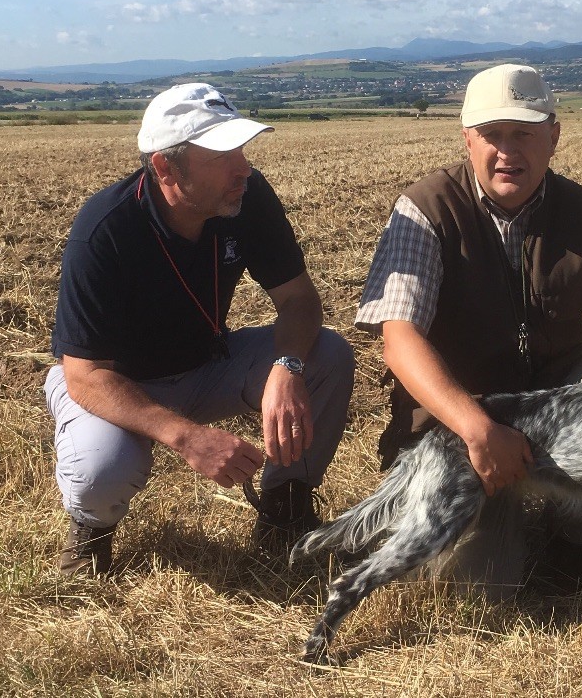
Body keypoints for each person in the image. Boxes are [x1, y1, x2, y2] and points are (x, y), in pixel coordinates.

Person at [355, 64, 582, 602]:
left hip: (556, 411)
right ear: (467, 138)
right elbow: (400, 338)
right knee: (474, 589)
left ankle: (577, 534)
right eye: (491, 135)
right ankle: (485, 517)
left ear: (553, 135)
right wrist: (477, 428)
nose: (507, 151)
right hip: (462, 424)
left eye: (525, 133)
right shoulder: (427, 209)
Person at [46, 83, 355, 576]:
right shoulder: (105, 228)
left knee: (328, 356)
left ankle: (285, 507)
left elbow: (298, 301)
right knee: (102, 469)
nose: (244, 169)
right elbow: (84, 377)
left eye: (242, 150)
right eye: (223, 155)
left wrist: (286, 365)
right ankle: (91, 530)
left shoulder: (247, 197)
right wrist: (187, 438)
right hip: (116, 385)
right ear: (166, 167)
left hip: (207, 363)